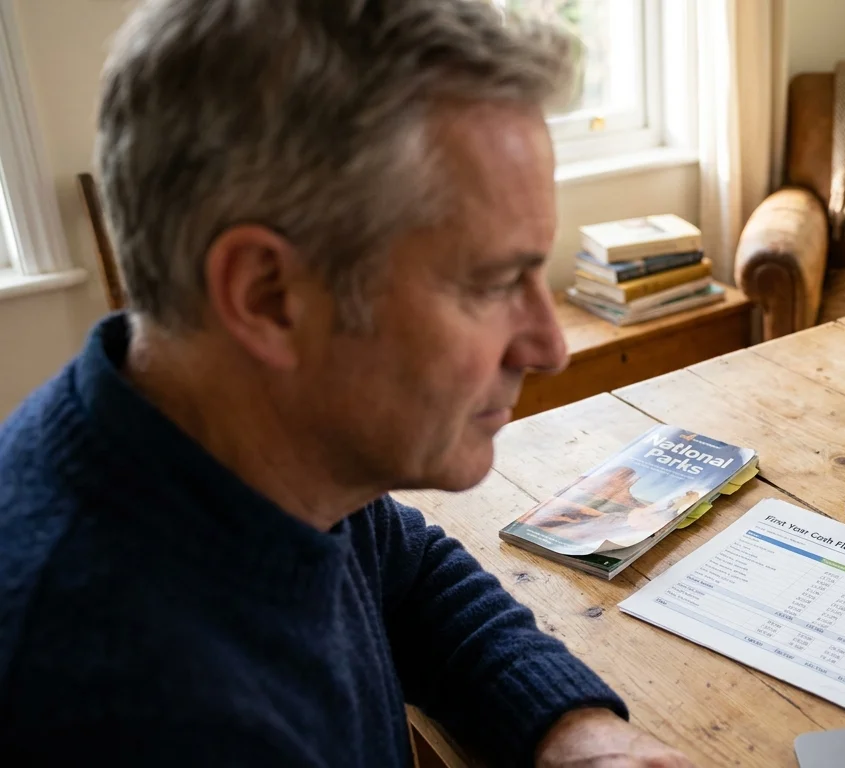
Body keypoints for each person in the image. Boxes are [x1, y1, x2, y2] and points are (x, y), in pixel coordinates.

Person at [0, 1, 695, 765]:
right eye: (494, 283)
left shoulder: (242, 447)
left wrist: (577, 734)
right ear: (268, 295)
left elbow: (408, 575)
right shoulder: (129, 707)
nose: (548, 346)